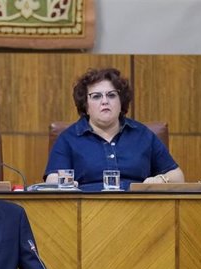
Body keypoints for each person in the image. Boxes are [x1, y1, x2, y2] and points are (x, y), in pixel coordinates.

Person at [44, 67, 183, 191]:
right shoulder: (69, 138)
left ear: (121, 102)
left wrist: (160, 180)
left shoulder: (143, 134)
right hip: (86, 211)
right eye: (96, 96)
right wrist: (66, 186)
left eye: (111, 95)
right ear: (86, 106)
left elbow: (177, 176)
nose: (105, 101)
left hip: (139, 210)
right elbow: (52, 179)